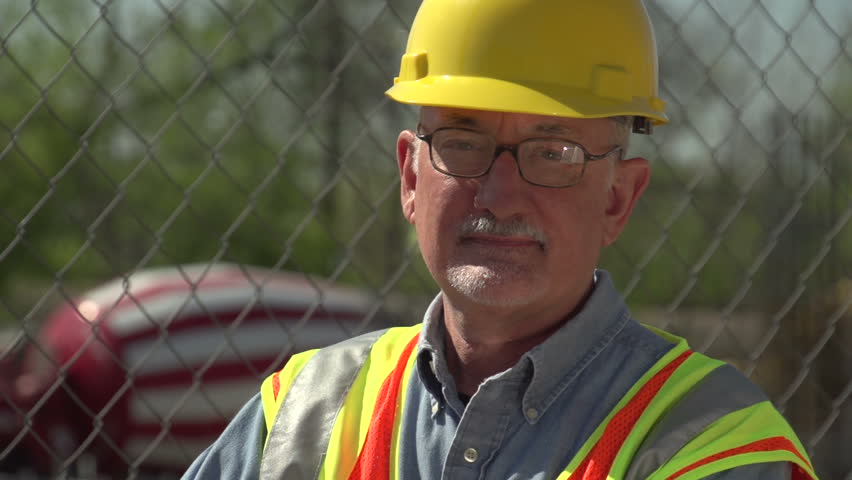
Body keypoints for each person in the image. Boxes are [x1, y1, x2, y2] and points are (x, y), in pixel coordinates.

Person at [182, 0, 818, 478]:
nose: (500, 194)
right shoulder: (305, 411)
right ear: (409, 176)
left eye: (553, 151)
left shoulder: (712, 444)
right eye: (463, 143)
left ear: (618, 198)